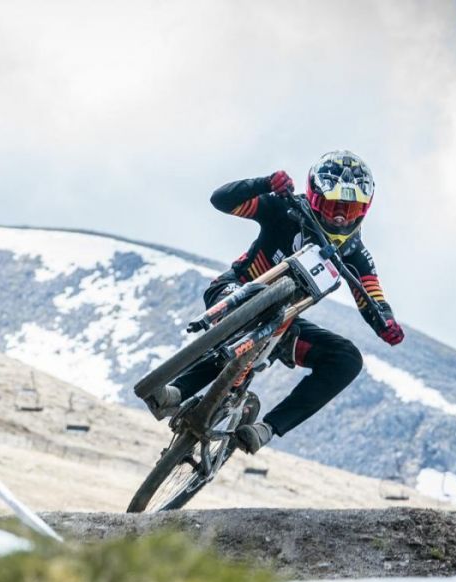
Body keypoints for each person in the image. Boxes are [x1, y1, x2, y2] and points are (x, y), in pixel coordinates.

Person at [148, 150, 404, 454]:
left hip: (283, 322)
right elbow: (221, 200)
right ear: (315, 197)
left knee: (347, 360)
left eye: (349, 211)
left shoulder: (355, 253)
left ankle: (266, 429)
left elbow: (372, 297)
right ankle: (176, 392)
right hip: (233, 291)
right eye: (334, 206)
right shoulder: (283, 207)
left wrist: (386, 324)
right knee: (249, 317)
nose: (339, 217)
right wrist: (265, 183)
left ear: (364, 211)